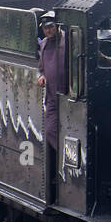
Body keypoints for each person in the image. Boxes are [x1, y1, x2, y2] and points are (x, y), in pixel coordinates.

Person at [36, 12, 66, 196]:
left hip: (67, 94)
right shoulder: (44, 45)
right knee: (50, 129)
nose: (49, 30)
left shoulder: (67, 43)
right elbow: (41, 69)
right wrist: (41, 76)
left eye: (51, 27)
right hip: (52, 97)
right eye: (46, 28)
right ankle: (63, 158)